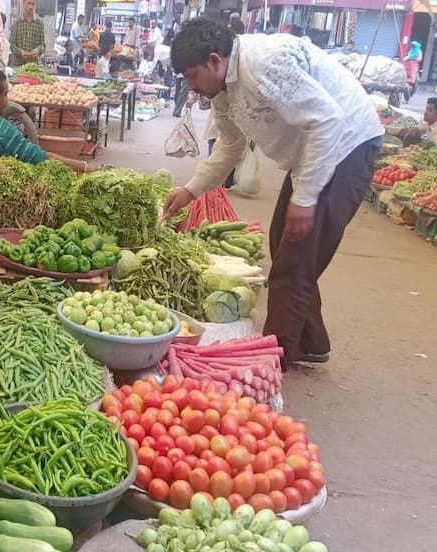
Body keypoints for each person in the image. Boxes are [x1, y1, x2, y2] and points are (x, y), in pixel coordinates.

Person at [163, 18, 383, 366]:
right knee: (285, 243)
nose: (192, 87)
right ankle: (311, 341)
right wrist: (190, 191)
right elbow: (230, 148)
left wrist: (306, 195)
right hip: (312, 151)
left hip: (346, 145)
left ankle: (272, 359)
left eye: (192, 76)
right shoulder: (222, 92)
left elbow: (328, 121)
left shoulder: (264, 64)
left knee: (294, 260)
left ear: (216, 60)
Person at [9, 0, 45, 67]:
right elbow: (11, 44)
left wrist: (38, 51)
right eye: (28, 3)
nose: (31, 7)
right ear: (23, 3)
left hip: (33, 65)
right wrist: (20, 52)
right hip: (17, 65)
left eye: (33, 4)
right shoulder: (16, 23)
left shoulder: (40, 24)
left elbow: (43, 45)